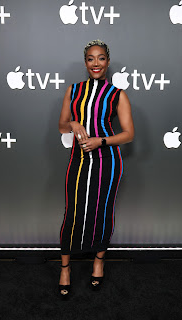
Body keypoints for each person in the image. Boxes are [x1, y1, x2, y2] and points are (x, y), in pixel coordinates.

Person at [58, 39, 134, 298]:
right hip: (78, 160)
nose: (96, 63)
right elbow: (61, 126)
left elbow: (128, 134)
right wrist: (75, 124)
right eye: (91, 58)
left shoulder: (117, 94)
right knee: (73, 212)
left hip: (107, 161)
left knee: (103, 211)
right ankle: (65, 268)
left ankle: (98, 262)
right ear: (86, 62)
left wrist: (100, 140)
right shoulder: (74, 90)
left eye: (101, 58)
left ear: (108, 62)